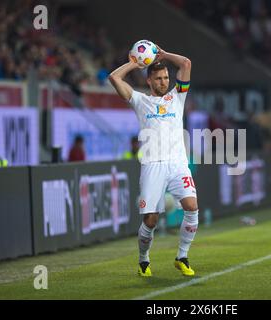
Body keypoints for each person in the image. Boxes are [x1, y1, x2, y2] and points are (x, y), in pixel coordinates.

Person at [108, 44, 198, 277]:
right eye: (158, 78)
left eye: (166, 77)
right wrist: (135, 64)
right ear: (149, 81)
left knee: (192, 207)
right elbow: (114, 77)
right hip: (152, 165)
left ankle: (182, 256)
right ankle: (143, 259)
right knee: (151, 220)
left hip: (178, 163)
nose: (164, 82)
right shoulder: (139, 100)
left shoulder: (177, 97)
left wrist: (165, 54)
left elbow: (186, 63)